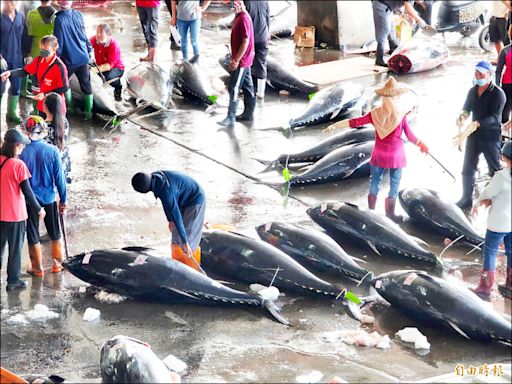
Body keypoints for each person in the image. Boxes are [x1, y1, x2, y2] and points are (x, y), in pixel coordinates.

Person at [325, 77, 429, 222]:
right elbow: (410, 136)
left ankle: (371, 213)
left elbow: (356, 122)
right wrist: (422, 145)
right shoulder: (401, 114)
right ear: (396, 96)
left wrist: (335, 125)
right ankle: (390, 215)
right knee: (394, 183)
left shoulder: (375, 113)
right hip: (396, 155)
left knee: (375, 181)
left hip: (379, 153)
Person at [19, 116, 67, 277]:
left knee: (32, 232)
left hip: (30, 200)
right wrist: (63, 200)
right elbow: (60, 180)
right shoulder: (52, 150)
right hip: (49, 198)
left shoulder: (22, 152)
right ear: (44, 131)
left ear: (26, 131)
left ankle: (37, 268)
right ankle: (57, 265)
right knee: (55, 231)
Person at [454, 61, 506, 209]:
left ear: (489, 75)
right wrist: (462, 117)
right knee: (467, 168)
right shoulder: (473, 91)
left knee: (495, 170)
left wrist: (477, 123)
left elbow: (495, 118)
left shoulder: (498, 94)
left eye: (481, 74)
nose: (478, 76)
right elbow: (466, 109)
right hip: (473, 135)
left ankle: (501, 199)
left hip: (490, 137)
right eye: (476, 73)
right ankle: (466, 198)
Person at [131, 170, 206, 271]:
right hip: (182, 199)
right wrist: (170, 220)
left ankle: (194, 271)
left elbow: (176, 216)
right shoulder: (155, 180)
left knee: (189, 239)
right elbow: (166, 203)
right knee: (176, 236)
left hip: (195, 200)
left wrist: (184, 242)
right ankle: (179, 268)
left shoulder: (166, 190)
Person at [1, 129, 45, 291]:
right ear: (17, 146)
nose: (23, 149)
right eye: (22, 146)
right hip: (15, 215)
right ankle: (13, 281)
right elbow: (27, 192)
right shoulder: (18, 165)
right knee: (15, 250)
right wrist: (39, 209)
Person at [471, 141, 511, 298]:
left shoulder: (501, 176)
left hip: (498, 224)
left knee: (490, 251)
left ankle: (485, 287)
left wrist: (477, 203)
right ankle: (510, 285)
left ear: (503, 157)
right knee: (511, 251)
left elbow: (488, 193)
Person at [1, 35, 69, 117]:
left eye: (46, 49)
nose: (43, 51)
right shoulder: (39, 60)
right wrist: (10, 73)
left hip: (55, 106)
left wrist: (45, 94)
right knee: (42, 128)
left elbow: (64, 87)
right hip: (42, 105)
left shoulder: (59, 67)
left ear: (54, 49)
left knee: (55, 128)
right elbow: (25, 71)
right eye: (41, 48)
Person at [217, 0, 255, 127]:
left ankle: (231, 117)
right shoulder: (239, 17)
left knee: (233, 87)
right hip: (246, 59)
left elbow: (245, 42)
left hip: (242, 61)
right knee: (248, 87)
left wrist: (236, 60)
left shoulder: (243, 18)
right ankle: (248, 114)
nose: (231, 8)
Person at [54, 0, 94, 120]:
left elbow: (59, 44)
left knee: (63, 85)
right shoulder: (79, 14)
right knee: (86, 85)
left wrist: (54, 58)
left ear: (60, 4)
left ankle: (70, 109)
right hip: (83, 57)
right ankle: (89, 113)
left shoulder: (59, 20)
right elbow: (84, 34)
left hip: (69, 60)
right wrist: (89, 49)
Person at [372, 0, 431, 67]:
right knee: (384, 29)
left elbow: (408, 6)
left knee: (391, 30)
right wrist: (419, 20)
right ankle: (379, 58)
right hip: (381, 4)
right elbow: (408, 7)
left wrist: (412, 18)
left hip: (389, 7)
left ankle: (393, 50)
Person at [0, 1, 29, 123]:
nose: (13, 3)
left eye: (16, 1)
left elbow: (25, 37)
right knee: (1, 88)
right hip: (3, 60)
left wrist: (28, 54)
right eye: (11, 1)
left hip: (17, 57)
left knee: (16, 87)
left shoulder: (20, 16)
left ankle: (11, 113)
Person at [90, 23, 125, 101]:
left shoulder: (113, 44)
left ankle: (117, 87)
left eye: (101, 32)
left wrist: (94, 70)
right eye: (97, 32)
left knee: (106, 77)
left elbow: (109, 66)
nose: (98, 35)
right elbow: (85, 47)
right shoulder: (95, 39)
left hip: (116, 68)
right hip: (100, 66)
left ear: (108, 34)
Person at [244, 0, 269, 100]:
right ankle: (261, 92)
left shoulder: (247, 2)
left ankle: (248, 89)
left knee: (246, 63)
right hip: (263, 36)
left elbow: (244, 20)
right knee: (262, 63)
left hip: (250, 37)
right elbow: (268, 18)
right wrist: (268, 33)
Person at [44, 92, 71, 183]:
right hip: (63, 159)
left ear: (45, 107)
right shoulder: (64, 121)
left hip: (50, 164)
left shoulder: (43, 127)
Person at [496, 25, 512, 125]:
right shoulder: (505, 51)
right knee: (505, 110)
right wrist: (497, 87)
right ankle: (503, 135)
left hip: (507, 83)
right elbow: (498, 71)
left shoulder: (506, 51)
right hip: (507, 85)